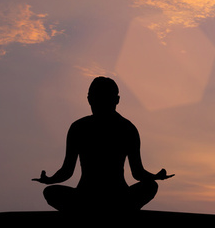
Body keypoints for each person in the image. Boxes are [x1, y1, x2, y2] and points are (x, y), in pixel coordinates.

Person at [33, 76, 173, 212]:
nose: (99, 102)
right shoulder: (83, 128)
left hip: (111, 196)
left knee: (150, 186)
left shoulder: (124, 128)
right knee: (50, 192)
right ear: (89, 99)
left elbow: (137, 172)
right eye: (97, 98)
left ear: (116, 100)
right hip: (92, 196)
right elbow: (67, 171)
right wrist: (50, 180)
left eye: (103, 98)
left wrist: (155, 177)